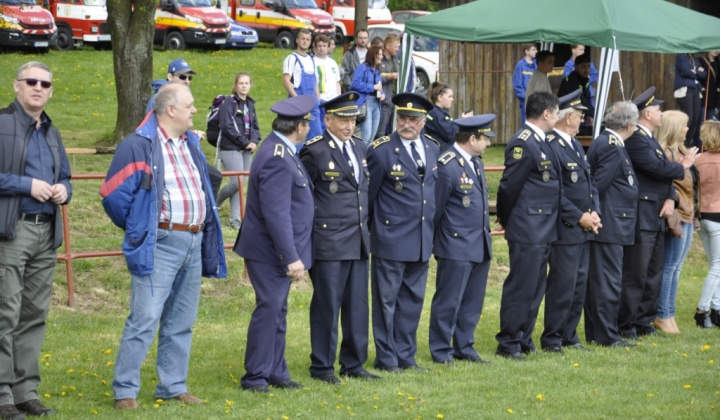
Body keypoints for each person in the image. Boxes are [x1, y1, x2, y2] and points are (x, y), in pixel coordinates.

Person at [101, 84, 227, 410]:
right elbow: (113, 195)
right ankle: (125, 392)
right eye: (190, 105)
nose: (195, 111)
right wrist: (141, 228)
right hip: (161, 242)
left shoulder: (191, 144)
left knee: (181, 321)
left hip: (194, 240)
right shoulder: (138, 145)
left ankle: (172, 386)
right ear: (170, 109)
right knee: (144, 318)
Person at [0, 61, 71, 419]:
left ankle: (25, 390)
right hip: (12, 231)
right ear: (17, 86)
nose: (38, 87)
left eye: (45, 83)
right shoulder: (2, 123)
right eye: (31, 81)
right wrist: (26, 185)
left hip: (46, 231)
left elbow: (68, 178)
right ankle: (1, 397)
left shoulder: (52, 131)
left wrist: (63, 190)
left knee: (34, 315)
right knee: (5, 313)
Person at [234, 95, 316, 393]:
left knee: (277, 310)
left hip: (274, 250)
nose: (308, 127)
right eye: (307, 123)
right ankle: (255, 376)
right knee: (269, 309)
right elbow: (276, 213)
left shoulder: (281, 150)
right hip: (270, 251)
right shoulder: (277, 156)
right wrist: (290, 257)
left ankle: (275, 371)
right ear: (300, 126)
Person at [299, 92, 380, 385]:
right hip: (329, 240)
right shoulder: (315, 151)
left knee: (357, 305)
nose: (349, 125)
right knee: (327, 305)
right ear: (327, 119)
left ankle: (354, 362)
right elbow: (303, 198)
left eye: (352, 120)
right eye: (343, 120)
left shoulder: (360, 147)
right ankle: (322, 366)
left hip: (358, 238)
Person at [367, 92, 438, 372]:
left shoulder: (432, 147)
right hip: (391, 240)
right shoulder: (382, 149)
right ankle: (386, 358)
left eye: (413, 119)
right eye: (403, 118)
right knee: (386, 302)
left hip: (421, 239)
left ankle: (406, 355)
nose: (407, 124)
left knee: (412, 302)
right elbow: (369, 199)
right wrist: (375, 235)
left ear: (424, 121)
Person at [619, 87, 696, 340]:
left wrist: (671, 198)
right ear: (647, 114)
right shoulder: (636, 139)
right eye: (658, 110)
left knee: (654, 271)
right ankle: (627, 324)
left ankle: (644, 321)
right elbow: (655, 167)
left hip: (657, 211)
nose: (662, 114)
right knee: (637, 272)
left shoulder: (649, 138)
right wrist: (681, 166)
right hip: (643, 212)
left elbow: (664, 177)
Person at [495, 91, 560, 360]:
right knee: (521, 286)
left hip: (543, 226)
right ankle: (508, 341)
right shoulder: (524, 142)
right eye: (556, 113)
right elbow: (509, 187)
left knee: (535, 286)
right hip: (528, 227)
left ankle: (523, 337)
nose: (558, 118)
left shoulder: (541, 141)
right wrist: (509, 219)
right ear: (546, 113)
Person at [429, 114, 494, 365]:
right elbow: (436, 208)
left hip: (478, 242)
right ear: (472, 138)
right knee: (449, 301)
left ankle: (464, 346)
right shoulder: (447, 164)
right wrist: (439, 243)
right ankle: (441, 350)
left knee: (472, 300)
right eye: (485, 139)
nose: (488, 143)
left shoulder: (475, 162)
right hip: (455, 244)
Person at [541, 89, 600, 354]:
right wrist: (580, 216)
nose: (583, 121)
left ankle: (569, 334)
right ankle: (553, 338)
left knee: (578, 284)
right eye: (580, 116)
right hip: (567, 227)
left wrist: (595, 211)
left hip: (584, 226)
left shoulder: (575, 144)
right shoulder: (552, 145)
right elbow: (556, 192)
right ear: (568, 117)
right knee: (562, 285)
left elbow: (589, 184)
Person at [584, 101, 640, 348]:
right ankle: (606, 335)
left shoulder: (611, 143)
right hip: (609, 225)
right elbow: (597, 185)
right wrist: (595, 213)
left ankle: (600, 332)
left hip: (614, 224)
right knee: (607, 282)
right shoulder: (611, 146)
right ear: (630, 125)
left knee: (605, 281)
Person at [146, 58, 223, 199]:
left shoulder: (173, 95)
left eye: (189, 77)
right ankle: (203, 214)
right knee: (212, 177)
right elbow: (159, 128)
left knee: (212, 176)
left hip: (175, 150)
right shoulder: (163, 97)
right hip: (165, 154)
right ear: (170, 77)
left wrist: (191, 134)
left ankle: (200, 213)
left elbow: (173, 126)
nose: (187, 80)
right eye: (182, 77)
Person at [655, 110, 694, 334]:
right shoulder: (666, 154)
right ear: (672, 128)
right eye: (683, 125)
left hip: (688, 213)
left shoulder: (681, 151)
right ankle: (663, 314)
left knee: (677, 267)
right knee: (669, 267)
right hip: (676, 215)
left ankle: (669, 313)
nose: (687, 129)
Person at [215, 72, 260, 230]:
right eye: (241, 83)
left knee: (241, 184)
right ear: (236, 85)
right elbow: (226, 127)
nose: (244, 86)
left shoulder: (250, 104)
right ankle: (216, 202)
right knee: (237, 182)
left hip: (247, 148)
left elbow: (255, 127)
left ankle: (235, 219)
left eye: (247, 83)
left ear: (250, 85)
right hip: (231, 147)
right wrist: (245, 142)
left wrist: (253, 142)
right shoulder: (229, 102)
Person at [694, 121, 720, 328]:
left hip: (703, 216)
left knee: (716, 265)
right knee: (717, 267)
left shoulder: (697, 160)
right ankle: (702, 311)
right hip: (718, 216)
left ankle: (717, 309)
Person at [282, 29, 322, 141]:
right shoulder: (291, 58)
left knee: (317, 135)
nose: (305, 41)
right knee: (298, 135)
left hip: (312, 100)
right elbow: (286, 80)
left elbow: (315, 81)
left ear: (310, 42)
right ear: (297, 40)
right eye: (303, 39)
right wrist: (297, 99)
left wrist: (318, 98)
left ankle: (314, 158)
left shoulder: (311, 59)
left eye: (307, 39)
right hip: (298, 98)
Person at [351, 45, 385, 146]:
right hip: (366, 103)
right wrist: (372, 87)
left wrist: (383, 95)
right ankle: (361, 159)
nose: (381, 56)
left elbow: (380, 87)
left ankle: (367, 159)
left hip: (376, 103)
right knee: (366, 136)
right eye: (378, 54)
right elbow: (355, 84)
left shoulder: (377, 70)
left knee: (372, 136)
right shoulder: (363, 67)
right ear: (372, 55)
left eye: (381, 54)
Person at [424, 82, 472, 149]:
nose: (452, 99)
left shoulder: (438, 112)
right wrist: (462, 120)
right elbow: (451, 136)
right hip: (440, 152)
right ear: (440, 97)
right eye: (449, 97)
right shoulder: (435, 113)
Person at [675, 53, 705, 149]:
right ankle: (678, 143)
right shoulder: (681, 55)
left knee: (695, 119)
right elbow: (685, 71)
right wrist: (697, 72)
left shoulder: (695, 58)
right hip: (684, 88)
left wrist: (694, 71)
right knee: (688, 118)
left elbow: (704, 74)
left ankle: (687, 145)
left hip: (696, 89)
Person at [313, 34, 342, 131]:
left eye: (324, 46)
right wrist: (319, 98)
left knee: (334, 127)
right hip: (322, 100)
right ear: (315, 47)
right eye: (319, 46)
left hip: (333, 101)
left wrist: (338, 97)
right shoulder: (312, 62)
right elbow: (314, 82)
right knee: (322, 128)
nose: (322, 48)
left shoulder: (332, 62)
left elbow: (337, 82)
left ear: (328, 47)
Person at [376, 34, 401, 139]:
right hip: (384, 100)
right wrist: (389, 77)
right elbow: (375, 79)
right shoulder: (379, 59)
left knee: (392, 130)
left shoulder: (396, 59)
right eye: (396, 47)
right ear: (387, 46)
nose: (398, 49)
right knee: (380, 132)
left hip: (395, 99)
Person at [558, 54, 595, 125]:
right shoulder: (571, 80)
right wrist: (594, 114)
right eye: (583, 67)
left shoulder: (585, 80)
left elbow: (587, 100)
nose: (586, 70)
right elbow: (580, 100)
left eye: (588, 67)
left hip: (578, 115)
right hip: (566, 117)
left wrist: (588, 115)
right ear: (576, 67)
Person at [512, 43, 538, 124]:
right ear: (526, 51)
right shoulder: (520, 65)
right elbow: (517, 85)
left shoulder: (536, 64)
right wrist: (527, 97)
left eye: (536, 49)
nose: (536, 51)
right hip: (526, 101)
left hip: (537, 99)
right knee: (527, 123)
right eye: (533, 50)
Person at [698, 50, 719, 123]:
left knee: (710, 121)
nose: (716, 51)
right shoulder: (701, 60)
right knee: (701, 120)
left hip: (714, 95)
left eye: (719, 49)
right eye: (714, 48)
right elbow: (698, 76)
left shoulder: (718, 63)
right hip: (704, 94)